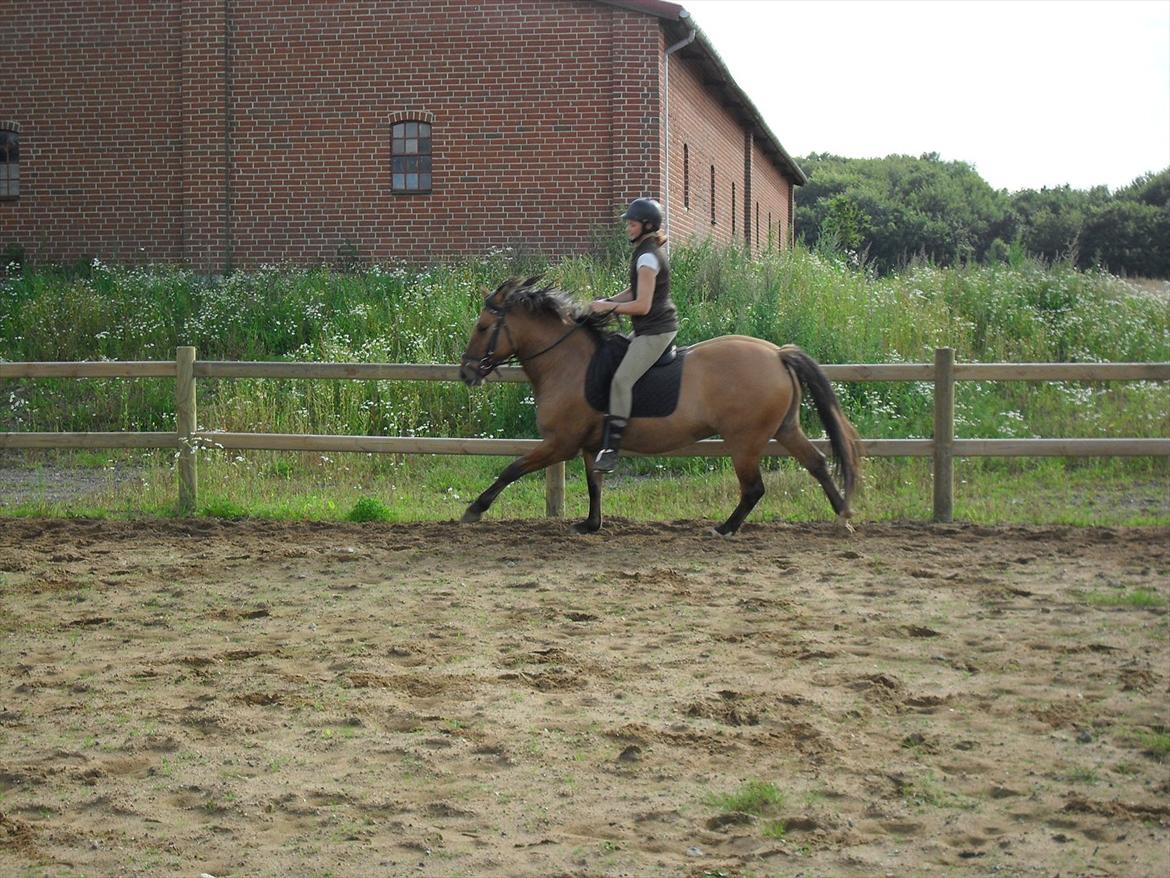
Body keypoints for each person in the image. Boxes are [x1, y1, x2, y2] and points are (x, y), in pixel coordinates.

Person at [589, 197, 679, 473]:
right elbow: (634, 292)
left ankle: (612, 449)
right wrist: (607, 302)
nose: (627, 228)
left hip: (656, 331)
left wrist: (610, 307)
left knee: (621, 380)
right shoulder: (645, 251)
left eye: (631, 223)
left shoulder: (648, 256)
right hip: (648, 328)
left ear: (647, 225)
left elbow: (642, 305)